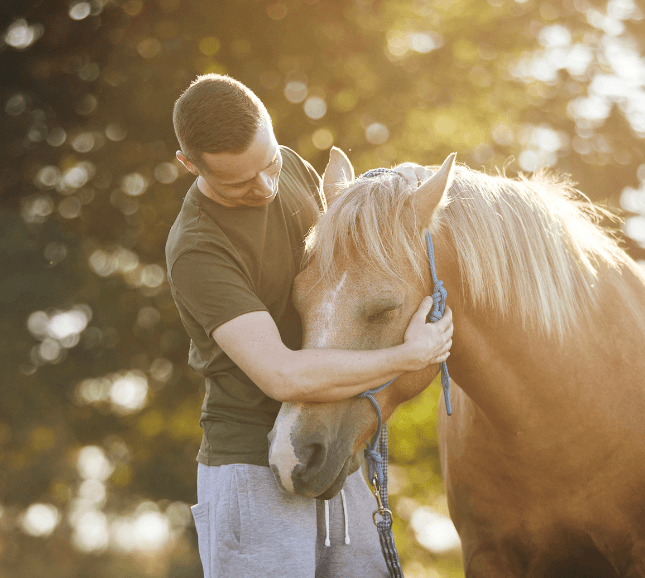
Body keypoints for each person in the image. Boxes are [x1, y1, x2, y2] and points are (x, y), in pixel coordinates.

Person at [165, 74, 453, 578]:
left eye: (270, 162)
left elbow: (349, 271)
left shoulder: (293, 167)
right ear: (190, 166)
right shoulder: (198, 248)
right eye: (239, 182)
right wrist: (409, 356)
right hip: (251, 472)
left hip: (332, 451)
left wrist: (395, 194)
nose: (266, 186)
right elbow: (284, 376)